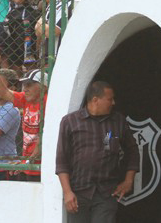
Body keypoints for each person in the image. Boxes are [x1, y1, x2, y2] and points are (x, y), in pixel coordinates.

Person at [56, 80, 139, 223]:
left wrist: (128, 180)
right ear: (95, 100)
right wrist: (67, 192)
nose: (113, 103)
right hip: (78, 193)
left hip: (106, 193)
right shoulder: (70, 122)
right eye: (109, 99)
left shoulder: (117, 121)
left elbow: (132, 150)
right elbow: (62, 159)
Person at [0, 49, 46, 180]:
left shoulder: (48, 102)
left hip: (42, 167)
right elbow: (3, 92)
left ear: (44, 86)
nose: (25, 88)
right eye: (24, 85)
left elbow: (46, 134)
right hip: (28, 164)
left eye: (30, 85)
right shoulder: (26, 98)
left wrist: (26, 163)